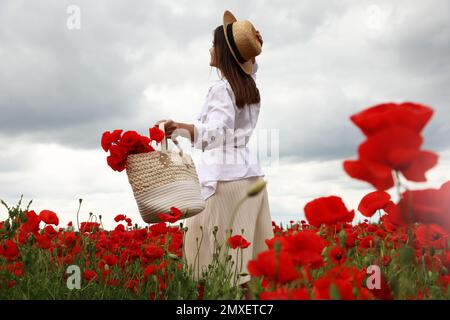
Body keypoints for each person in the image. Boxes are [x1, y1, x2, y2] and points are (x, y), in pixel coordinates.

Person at [154, 10, 274, 299]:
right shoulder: (249, 87)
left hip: (223, 181)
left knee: (211, 260)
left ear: (222, 53)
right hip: (249, 178)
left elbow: (217, 133)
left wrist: (180, 128)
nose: (209, 49)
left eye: (213, 44)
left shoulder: (222, 89)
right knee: (242, 267)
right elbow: (250, 68)